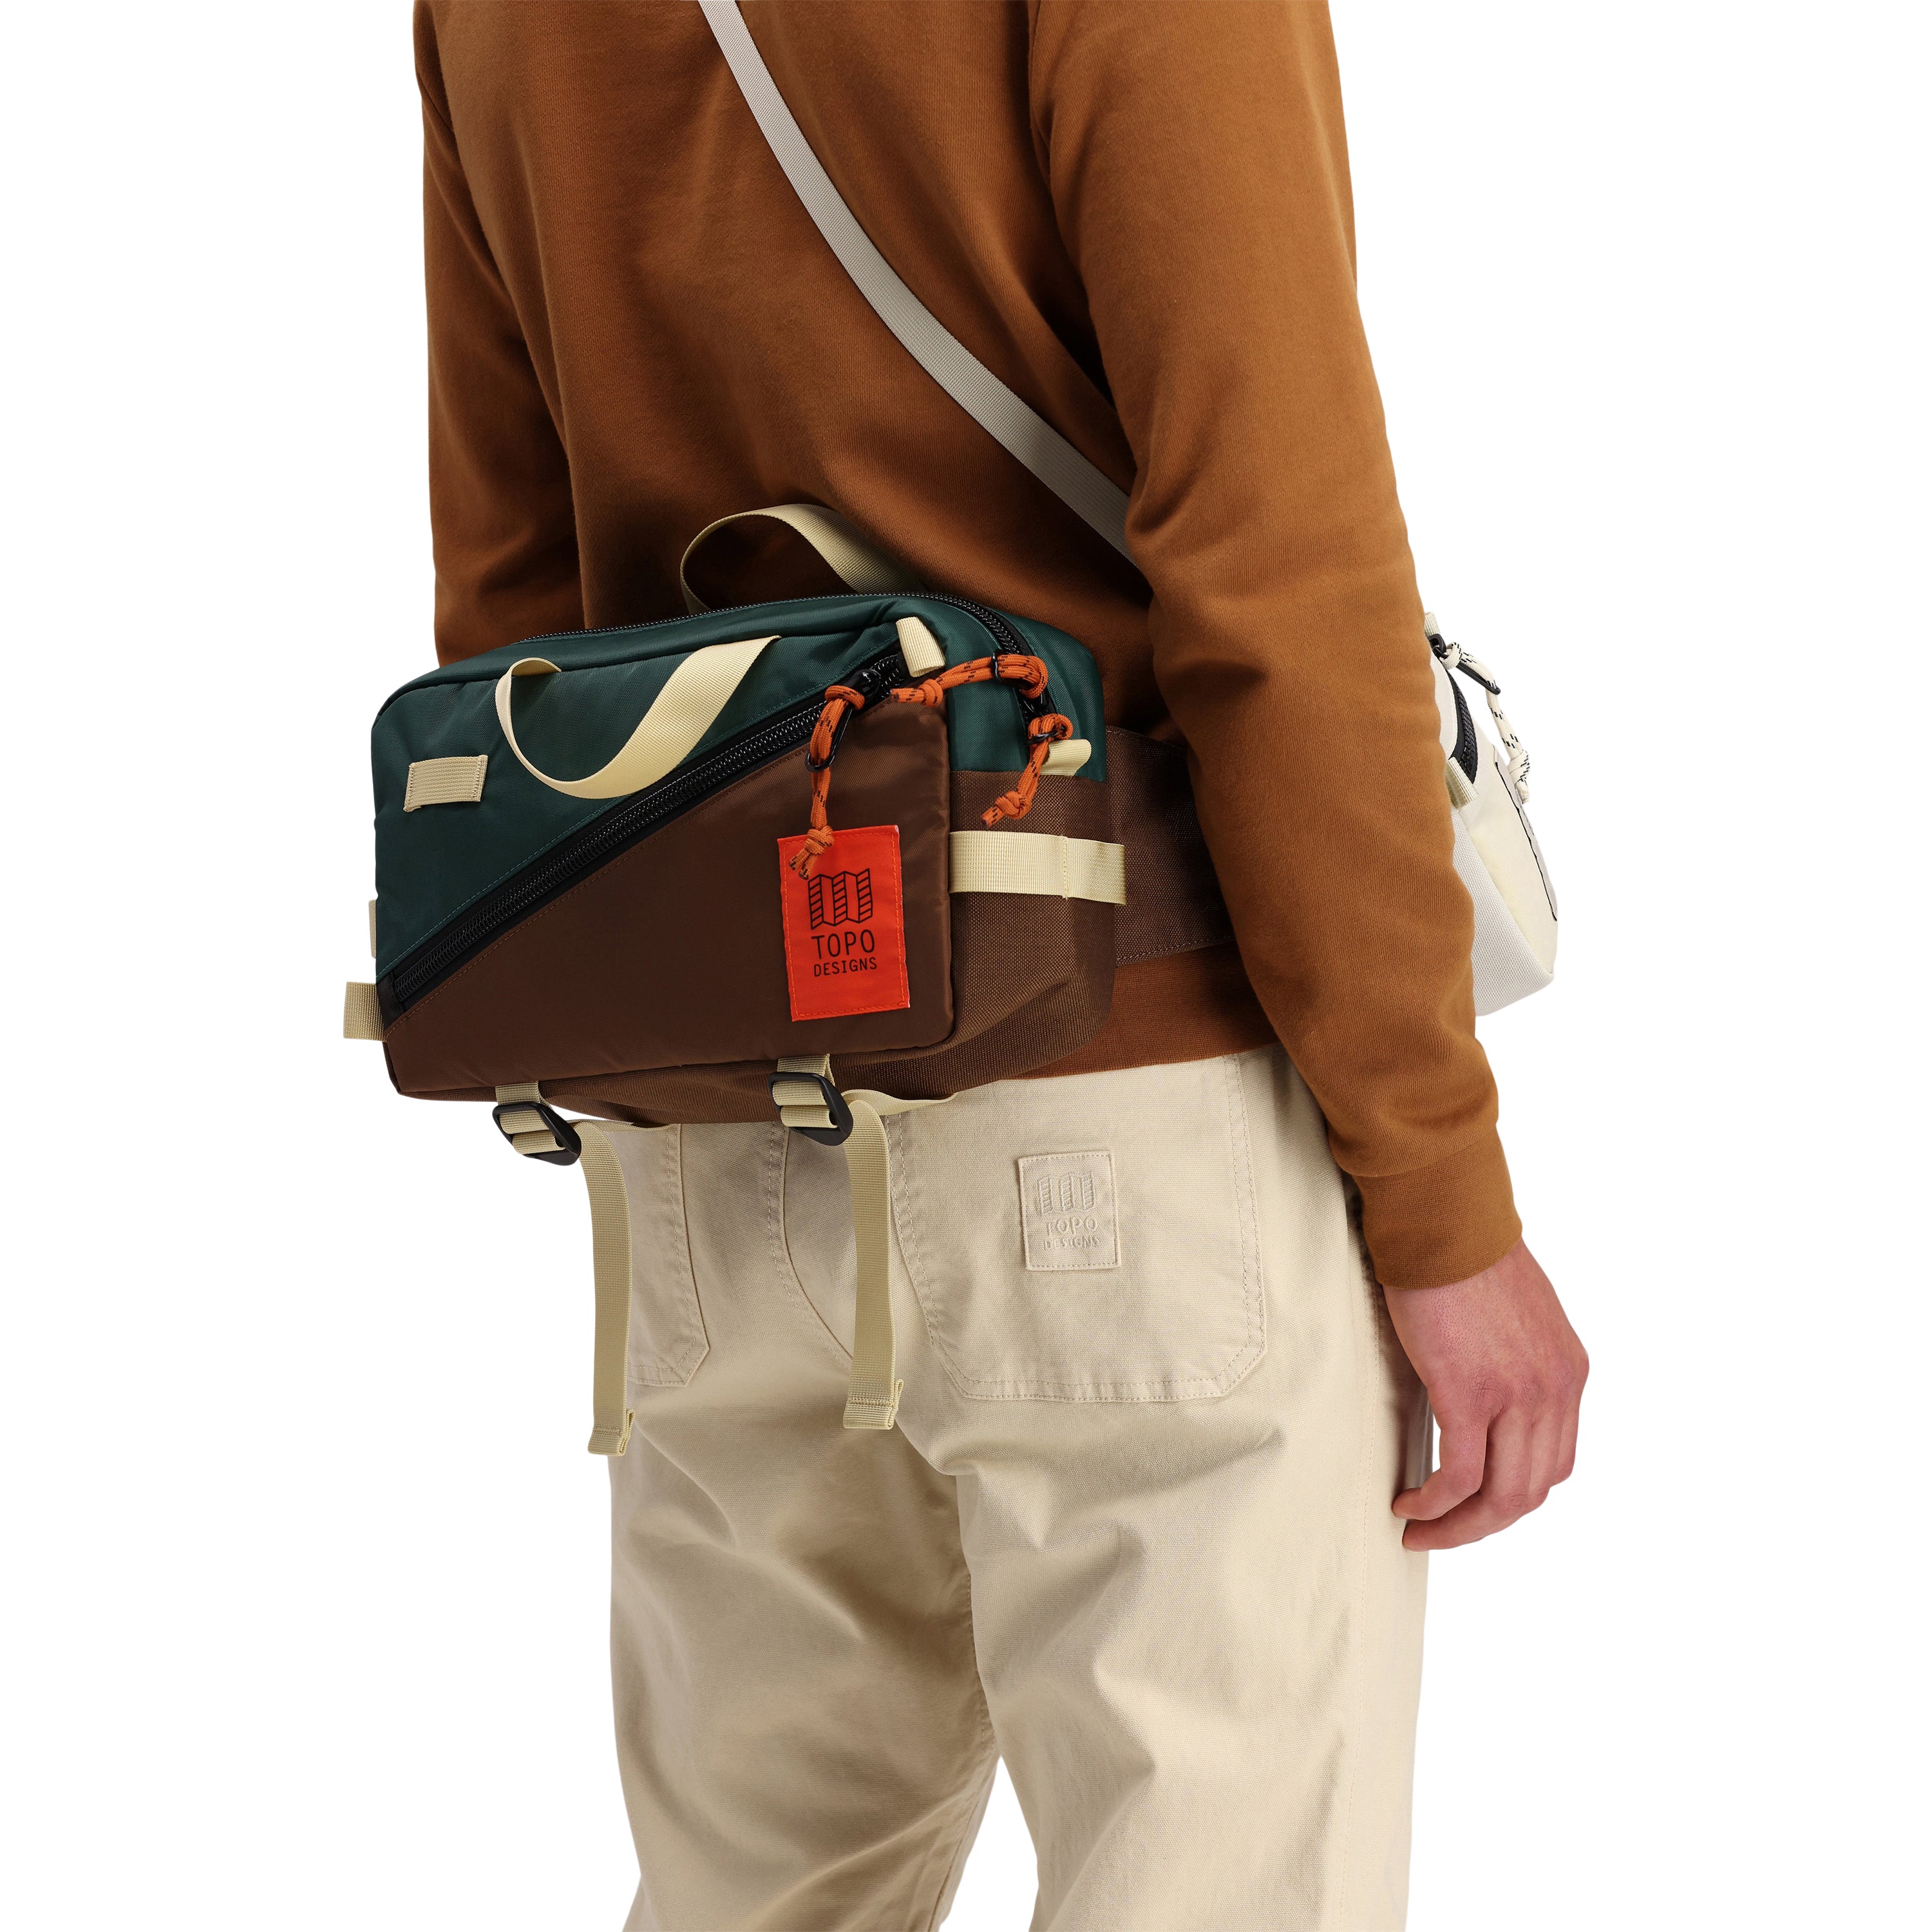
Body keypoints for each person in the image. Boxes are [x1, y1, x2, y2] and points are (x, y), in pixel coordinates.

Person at [412, 3, 1587, 1925]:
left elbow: (516, 625)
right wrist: (1443, 1198)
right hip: (1133, 1123)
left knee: (753, 1895)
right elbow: (1282, 575)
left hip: (719, 1142)